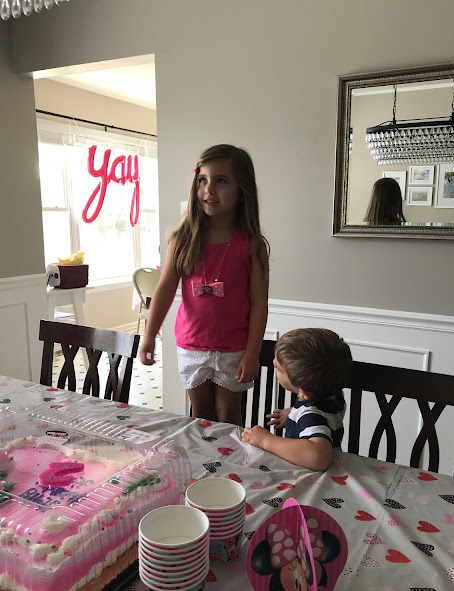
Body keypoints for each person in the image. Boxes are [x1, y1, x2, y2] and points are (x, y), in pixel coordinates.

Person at [139, 144, 269, 427]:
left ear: (242, 190)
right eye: (202, 180)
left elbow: (260, 304)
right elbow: (164, 289)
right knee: (201, 416)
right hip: (192, 344)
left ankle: (229, 458)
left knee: (228, 416)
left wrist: (252, 353)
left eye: (221, 180)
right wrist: (149, 335)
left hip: (233, 348)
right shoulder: (183, 239)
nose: (208, 189)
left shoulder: (251, 245)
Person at [241, 328, 352, 471]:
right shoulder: (333, 394)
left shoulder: (311, 416)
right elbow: (325, 413)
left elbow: (319, 457)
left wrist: (265, 440)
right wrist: (295, 413)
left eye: (278, 368)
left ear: (303, 391)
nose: (274, 362)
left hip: (307, 476)